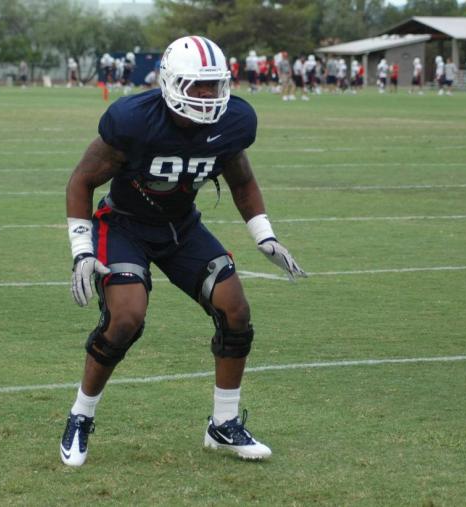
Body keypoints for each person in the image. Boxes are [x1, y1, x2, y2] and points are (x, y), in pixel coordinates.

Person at [60, 35, 307, 467]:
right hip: (124, 225)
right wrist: (81, 250)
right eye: (199, 86)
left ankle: (223, 424)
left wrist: (263, 233)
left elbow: (241, 178)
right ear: (171, 83)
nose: (210, 96)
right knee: (126, 318)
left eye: (215, 85)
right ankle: (81, 415)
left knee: (236, 311)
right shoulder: (132, 119)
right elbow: (81, 180)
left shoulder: (233, 122)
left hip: (181, 227)